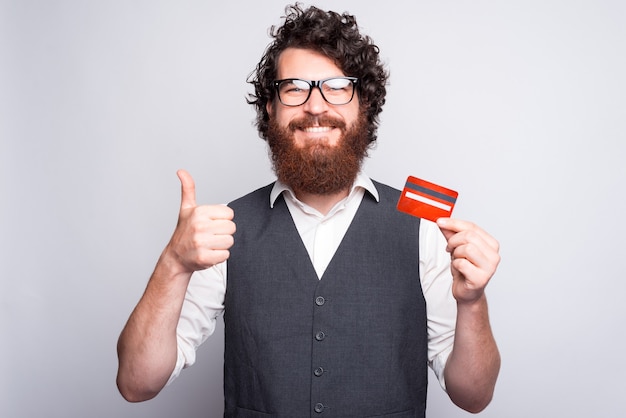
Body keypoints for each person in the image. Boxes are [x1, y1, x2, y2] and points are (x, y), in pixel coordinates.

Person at [116, 4, 501, 417]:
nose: (316, 107)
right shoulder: (224, 232)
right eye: (295, 88)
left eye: (336, 87)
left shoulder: (423, 229)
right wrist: (173, 263)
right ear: (271, 109)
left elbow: (473, 396)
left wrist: (473, 301)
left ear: (364, 105)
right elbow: (137, 383)